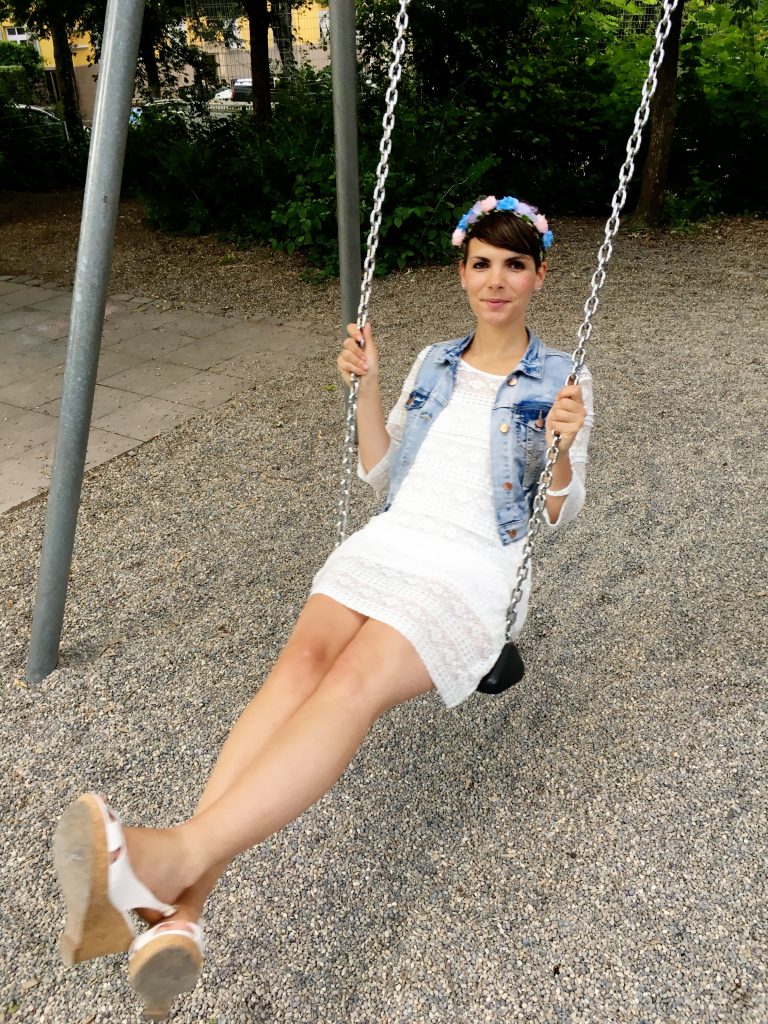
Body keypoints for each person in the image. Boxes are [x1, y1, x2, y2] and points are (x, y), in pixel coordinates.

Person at [53, 194, 593, 1020]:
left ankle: (168, 861)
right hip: (394, 541)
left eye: (514, 265)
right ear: (460, 273)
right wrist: (368, 388)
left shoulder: (565, 379)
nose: (496, 280)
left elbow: (559, 511)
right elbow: (381, 472)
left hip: (474, 567)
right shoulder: (433, 363)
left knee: (350, 683)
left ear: (539, 277)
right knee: (296, 669)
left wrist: (561, 450)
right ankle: (179, 910)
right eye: (481, 263)